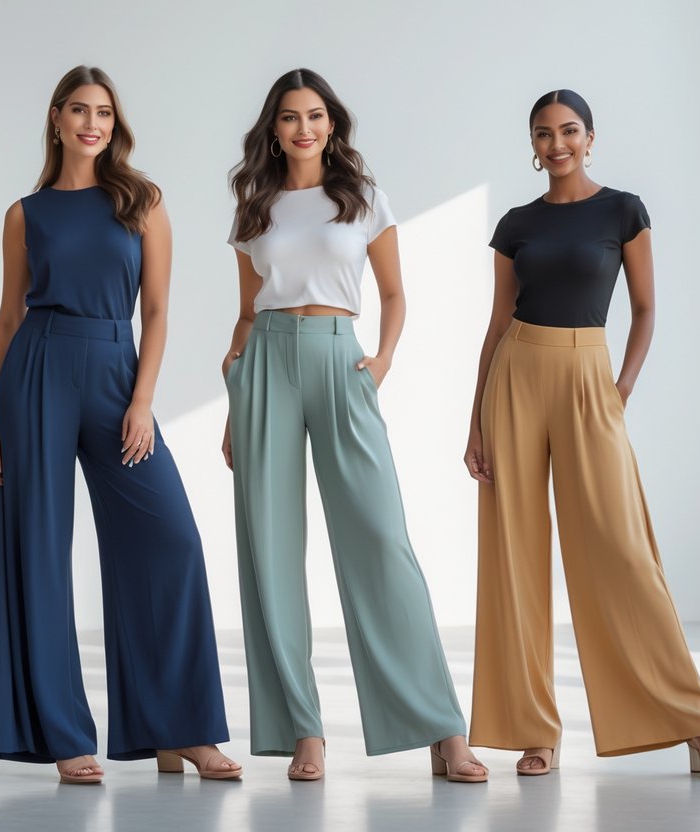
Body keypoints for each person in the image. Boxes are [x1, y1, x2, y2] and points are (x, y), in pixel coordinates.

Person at [0, 65, 240, 785]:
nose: (92, 123)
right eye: (79, 110)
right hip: (34, 372)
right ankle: (63, 735)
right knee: (38, 550)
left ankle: (178, 728)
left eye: (104, 111)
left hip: (114, 368)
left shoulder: (141, 201)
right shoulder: (24, 214)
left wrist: (142, 400)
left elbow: (155, 311)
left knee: (170, 539)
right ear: (57, 119)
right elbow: (8, 320)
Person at [464, 88, 700, 781]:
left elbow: (644, 310)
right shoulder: (515, 223)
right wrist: (474, 422)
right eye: (543, 133)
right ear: (531, 144)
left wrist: (619, 390)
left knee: (621, 550)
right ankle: (534, 731)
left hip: (589, 375)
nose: (556, 144)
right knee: (515, 556)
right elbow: (496, 325)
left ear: (589, 137)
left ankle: (694, 726)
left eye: (568, 130)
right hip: (516, 377)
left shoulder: (622, 210)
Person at [222, 68, 485, 783]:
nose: (302, 128)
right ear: (273, 129)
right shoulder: (256, 204)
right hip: (265, 367)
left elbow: (394, 294)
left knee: (379, 540)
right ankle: (301, 732)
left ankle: (439, 727)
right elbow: (246, 314)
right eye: (288, 117)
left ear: (330, 124)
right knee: (269, 553)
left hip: (342, 361)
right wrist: (232, 402)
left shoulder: (363, 198)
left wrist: (383, 361)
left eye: (313, 115)